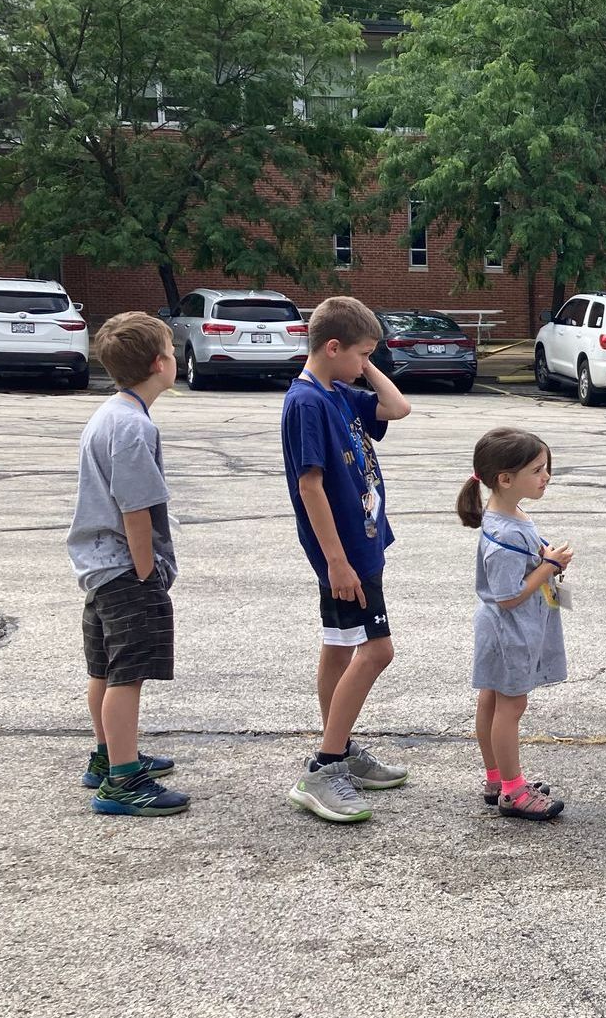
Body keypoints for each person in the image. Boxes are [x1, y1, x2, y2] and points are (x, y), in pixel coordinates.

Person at [281, 296, 413, 824]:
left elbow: (398, 408)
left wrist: (364, 360)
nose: (366, 366)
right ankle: (326, 765)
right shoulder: (307, 403)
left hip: (362, 544)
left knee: (338, 646)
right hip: (346, 555)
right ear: (331, 348)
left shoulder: (336, 392)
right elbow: (309, 485)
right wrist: (336, 562)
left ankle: (341, 743)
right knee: (378, 652)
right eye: (360, 355)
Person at [67, 312, 189, 816]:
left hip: (96, 566)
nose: (176, 356)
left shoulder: (109, 412)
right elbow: (135, 508)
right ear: (160, 363)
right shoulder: (134, 426)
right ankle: (122, 781)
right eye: (172, 348)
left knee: (105, 666)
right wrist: (147, 574)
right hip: (124, 569)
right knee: (128, 674)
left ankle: (107, 754)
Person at [458, 428, 569, 822]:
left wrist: (543, 558)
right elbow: (508, 595)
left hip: (501, 629)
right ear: (504, 479)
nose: (546, 476)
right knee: (511, 706)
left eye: (546, 468)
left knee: (491, 699)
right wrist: (549, 567)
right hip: (510, 629)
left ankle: (497, 778)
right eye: (537, 470)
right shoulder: (504, 531)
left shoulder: (509, 514)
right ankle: (513, 790)